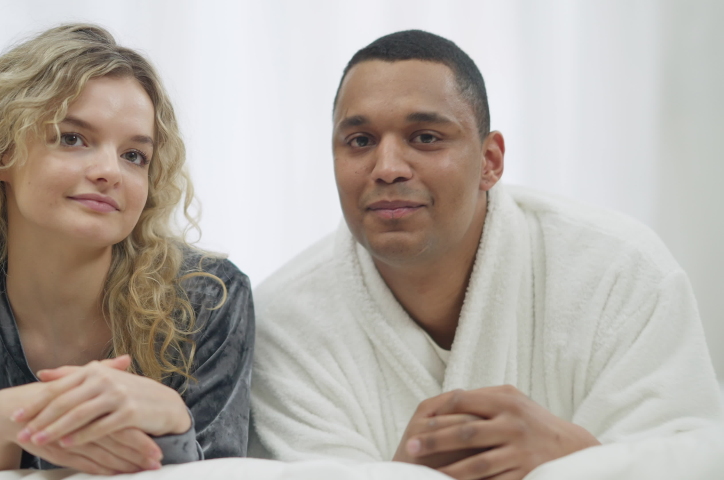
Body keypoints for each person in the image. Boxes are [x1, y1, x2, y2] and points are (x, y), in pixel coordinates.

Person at [249, 30, 723, 480]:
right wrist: (403, 473)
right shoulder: (284, 324)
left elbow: (695, 456)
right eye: (360, 141)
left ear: (490, 161)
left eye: (426, 137)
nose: (388, 168)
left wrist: (575, 457)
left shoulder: (619, 270)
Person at [0, 24, 254, 475]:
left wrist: (173, 426)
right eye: (72, 138)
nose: (109, 170)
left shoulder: (210, 296)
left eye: (135, 155)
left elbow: (226, 471)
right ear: (0, 153)